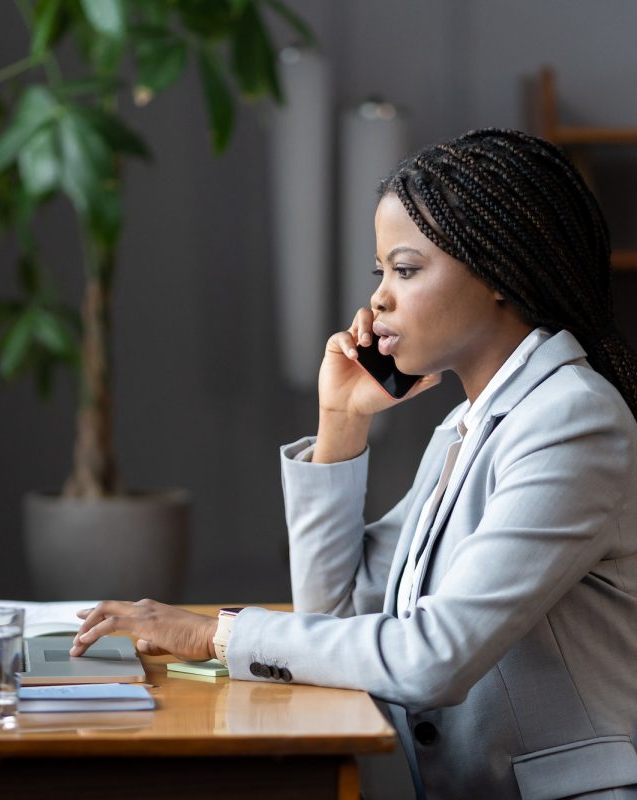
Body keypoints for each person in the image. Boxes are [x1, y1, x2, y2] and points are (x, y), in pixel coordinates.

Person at [70, 129, 637, 800]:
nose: (378, 302)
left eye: (405, 269)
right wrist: (340, 421)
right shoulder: (469, 425)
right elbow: (334, 613)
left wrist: (212, 634)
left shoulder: (572, 422)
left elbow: (432, 657)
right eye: (380, 275)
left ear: (497, 273)